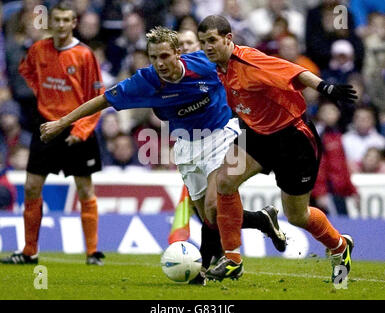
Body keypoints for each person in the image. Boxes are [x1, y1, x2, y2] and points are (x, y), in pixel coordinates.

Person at [39, 26, 287, 285]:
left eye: (165, 56)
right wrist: (61, 123)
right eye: (154, 57)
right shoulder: (145, 81)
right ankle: (260, 219)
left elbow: (248, 65)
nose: (160, 63)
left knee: (215, 206)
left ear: (178, 53)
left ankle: (205, 268)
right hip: (186, 146)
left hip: (222, 135)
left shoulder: (203, 63)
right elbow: (103, 100)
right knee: (209, 218)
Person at [197, 15, 357, 284]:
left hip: (292, 137)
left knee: (297, 215)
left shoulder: (249, 60)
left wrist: (325, 86)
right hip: (257, 134)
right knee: (224, 182)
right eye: (203, 42)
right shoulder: (215, 66)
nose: (207, 47)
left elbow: (291, 70)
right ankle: (233, 261)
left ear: (228, 39)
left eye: (212, 40)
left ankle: (340, 246)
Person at [0, 2, 105, 266]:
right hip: (46, 126)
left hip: (75, 127)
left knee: (84, 188)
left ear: (73, 23)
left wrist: (81, 130)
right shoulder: (38, 50)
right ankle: (29, 251)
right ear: (51, 23)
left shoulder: (84, 54)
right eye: (56, 20)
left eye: (65, 20)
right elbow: (27, 74)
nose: (60, 25)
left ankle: (92, 253)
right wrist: (46, 99)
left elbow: (96, 98)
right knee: (32, 186)